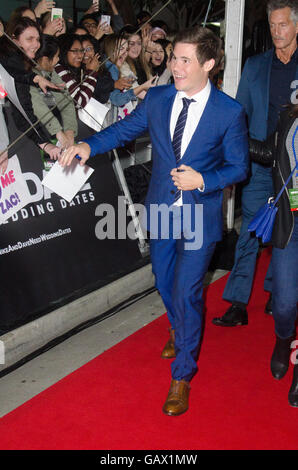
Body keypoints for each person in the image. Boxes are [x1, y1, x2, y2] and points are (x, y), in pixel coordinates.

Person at [59, 26, 249, 416]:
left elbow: (239, 168)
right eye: (174, 58)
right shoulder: (160, 98)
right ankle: (178, 328)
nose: (175, 68)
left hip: (200, 217)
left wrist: (204, 179)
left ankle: (182, 375)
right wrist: (85, 145)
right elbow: (123, 130)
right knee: (163, 281)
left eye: (184, 60)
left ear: (209, 65)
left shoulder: (229, 112)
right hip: (161, 211)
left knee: (187, 292)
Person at [213, 0, 298, 327]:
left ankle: (279, 291)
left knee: (288, 230)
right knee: (249, 229)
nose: (277, 32)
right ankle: (237, 302)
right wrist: (234, 158)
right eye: (273, 26)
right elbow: (239, 113)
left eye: (283, 25)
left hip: (294, 170)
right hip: (261, 163)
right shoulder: (256, 65)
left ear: (295, 26)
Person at [249, 104, 298, 407]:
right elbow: (269, 153)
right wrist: (233, 134)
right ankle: (283, 339)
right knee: (283, 303)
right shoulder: (288, 116)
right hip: (291, 223)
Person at [0, 17, 63, 160]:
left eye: (38, 39)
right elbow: (22, 108)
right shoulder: (10, 64)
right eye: (30, 39)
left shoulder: (23, 66)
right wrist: (44, 143)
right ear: (14, 40)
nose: (36, 44)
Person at [30, 35, 78, 150]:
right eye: (56, 57)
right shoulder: (29, 75)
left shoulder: (52, 73)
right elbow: (37, 106)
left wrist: (70, 131)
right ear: (45, 59)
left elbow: (66, 101)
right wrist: (58, 132)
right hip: (35, 133)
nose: (58, 60)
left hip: (55, 129)